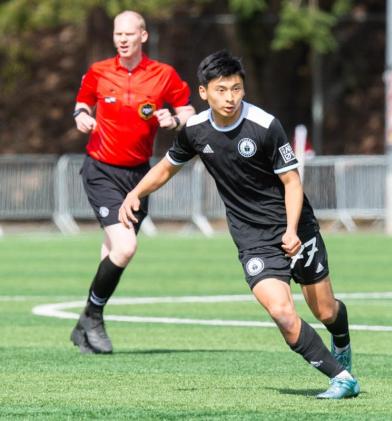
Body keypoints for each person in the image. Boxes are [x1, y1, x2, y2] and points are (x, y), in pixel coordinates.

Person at [119, 50, 359, 399]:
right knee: (281, 311)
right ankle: (341, 378)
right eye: (221, 90)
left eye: (236, 88)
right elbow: (168, 167)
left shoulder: (264, 125)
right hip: (252, 238)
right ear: (203, 93)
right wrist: (135, 193)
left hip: (296, 227)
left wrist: (291, 231)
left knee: (324, 310)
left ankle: (341, 340)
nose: (230, 97)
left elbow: (292, 183)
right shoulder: (196, 130)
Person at [70, 10, 195, 354]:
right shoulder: (98, 71)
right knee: (125, 247)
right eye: (117, 34)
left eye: (129, 34)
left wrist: (173, 119)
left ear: (143, 36)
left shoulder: (163, 75)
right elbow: (81, 103)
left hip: (139, 177)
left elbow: (188, 111)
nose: (122, 40)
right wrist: (81, 116)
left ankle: (86, 324)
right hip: (101, 170)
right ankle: (93, 317)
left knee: (113, 251)